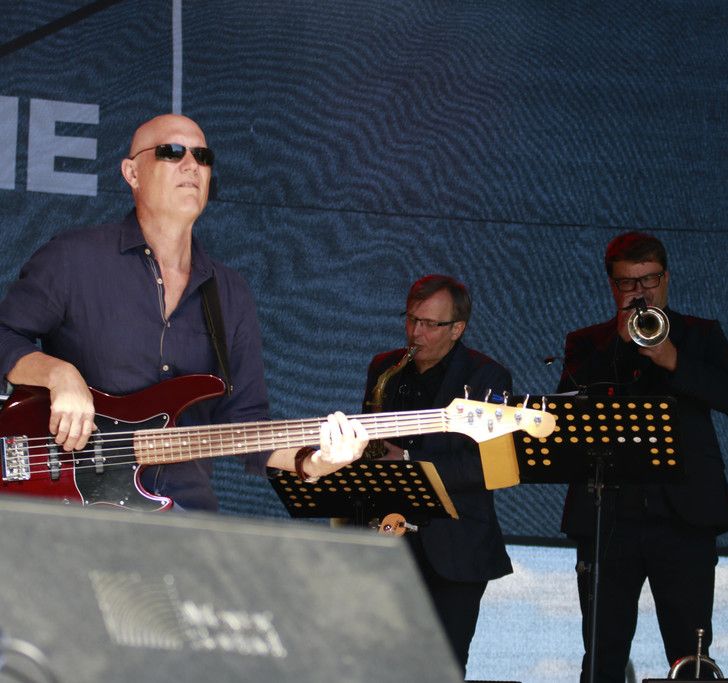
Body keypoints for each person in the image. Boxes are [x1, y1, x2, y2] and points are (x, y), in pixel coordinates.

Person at [0, 114, 367, 511]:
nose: (192, 165)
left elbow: (246, 423)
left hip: (182, 515)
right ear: (132, 173)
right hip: (74, 513)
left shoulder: (228, 292)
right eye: (172, 152)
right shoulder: (74, 258)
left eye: (202, 156)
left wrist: (314, 462)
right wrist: (58, 374)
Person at [558, 231, 728, 682]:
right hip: (608, 516)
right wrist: (618, 343)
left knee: (691, 655)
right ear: (613, 286)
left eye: (649, 279)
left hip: (686, 515)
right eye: (628, 282)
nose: (640, 291)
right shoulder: (587, 342)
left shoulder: (701, 334)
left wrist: (672, 358)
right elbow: (566, 406)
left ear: (666, 278)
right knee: (602, 651)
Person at [362, 274, 512, 673]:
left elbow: (485, 466)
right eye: (412, 319)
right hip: (390, 540)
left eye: (430, 324)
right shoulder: (384, 368)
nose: (416, 333)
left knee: (443, 667)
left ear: (457, 329)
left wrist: (408, 459)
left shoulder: (487, 377)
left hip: (455, 546)